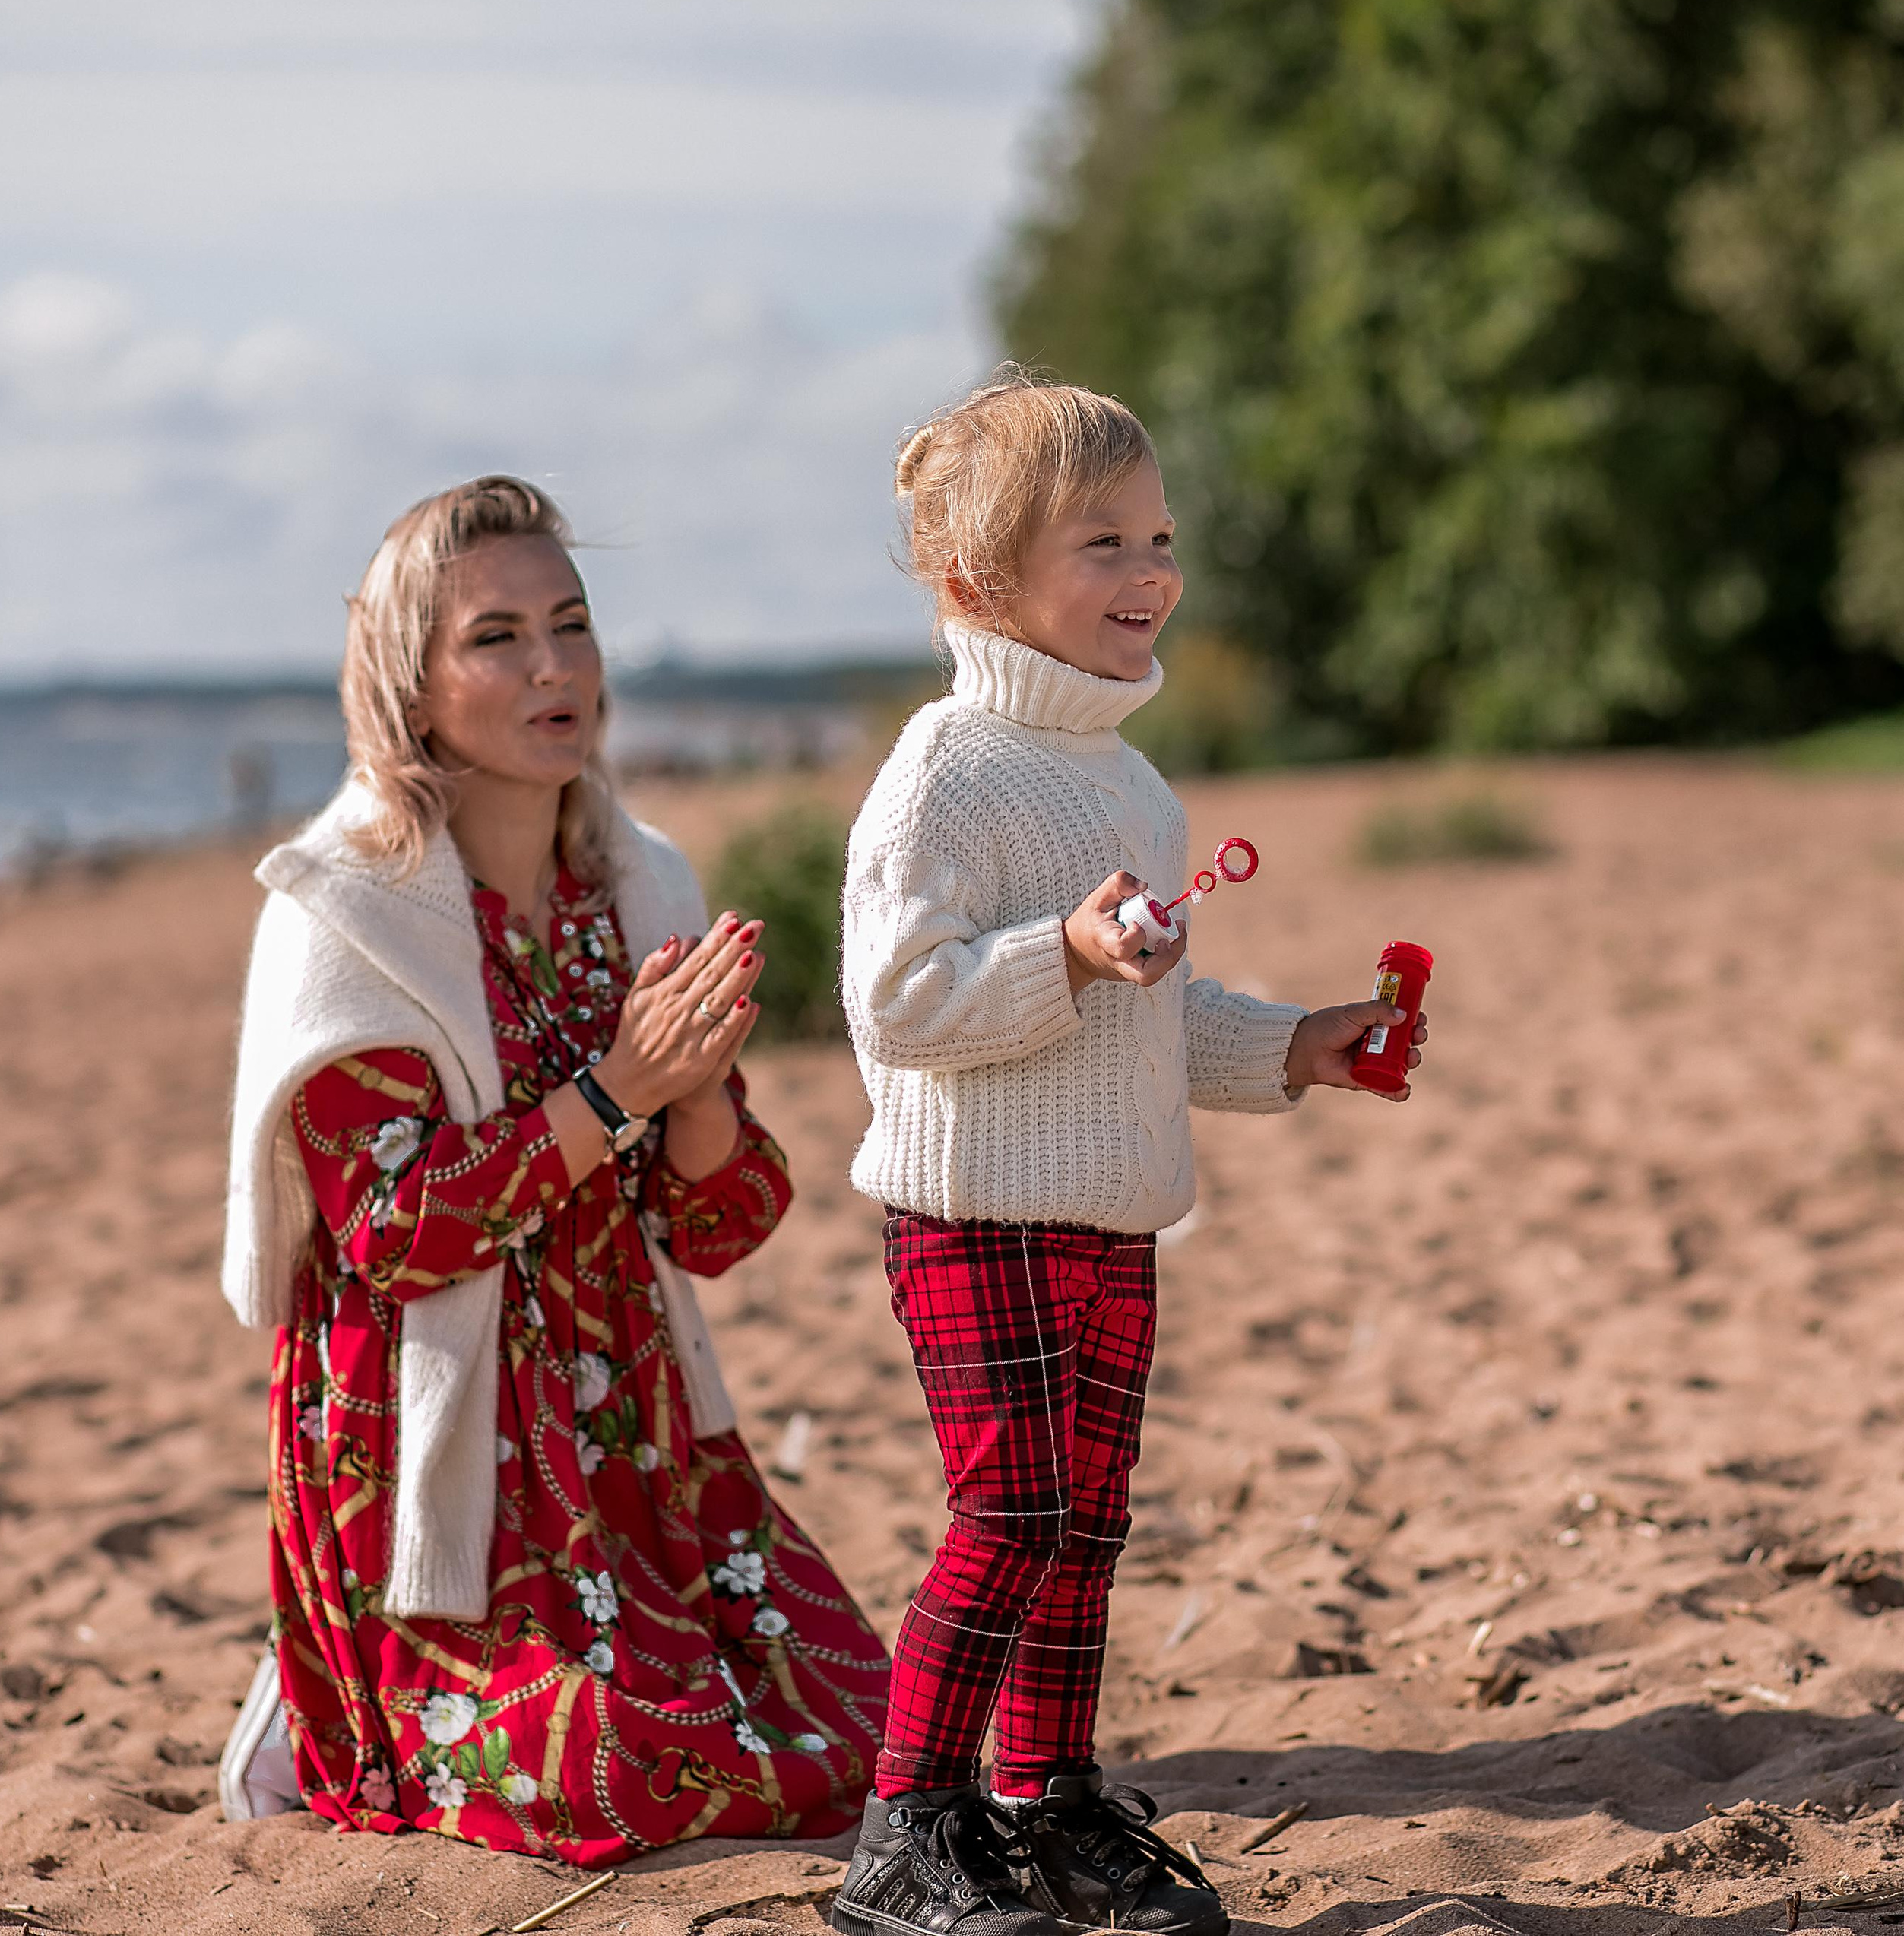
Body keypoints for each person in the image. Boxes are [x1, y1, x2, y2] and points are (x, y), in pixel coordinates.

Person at [214, 476, 887, 1864]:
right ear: (410, 685)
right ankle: (324, 1697)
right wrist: (618, 1088)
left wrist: (694, 1095)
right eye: (498, 637)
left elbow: (723, 1221)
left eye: (571, 626)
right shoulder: (344, 913)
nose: (554, 667)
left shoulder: (639, 885)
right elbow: (396, 1235)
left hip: (632, 1427)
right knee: (628, 1782)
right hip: (431, 1445)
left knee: (876, 1732)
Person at [832, 372, 1429, 1936]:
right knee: (1012, 1511)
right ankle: (906, 1819)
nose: (1149, 570)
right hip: (974, 1213)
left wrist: (1292, 1041)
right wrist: (1068, 952)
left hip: (1109, 1215)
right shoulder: (944, 769)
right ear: (977, 583)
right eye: (1100, 540)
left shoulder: (1130, 782)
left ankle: (1045, 1795)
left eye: (1157, 534)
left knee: (1087, 1519)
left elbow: (1146, 1020)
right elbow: (896, 1007)